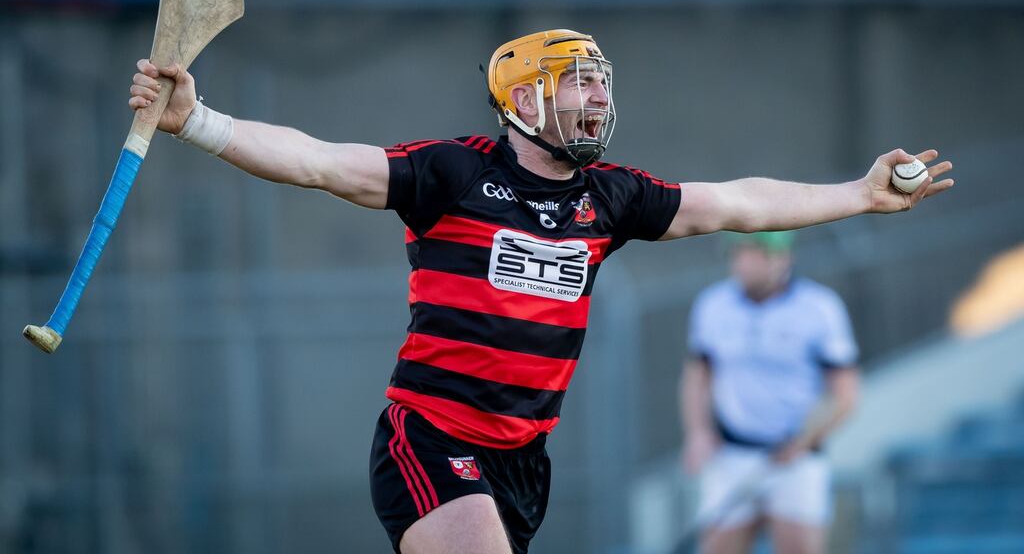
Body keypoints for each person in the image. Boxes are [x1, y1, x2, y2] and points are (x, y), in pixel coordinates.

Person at [128, 29, 953, 554]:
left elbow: (736, 202)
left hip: (525, 458)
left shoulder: (614, 198)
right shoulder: (450, 173)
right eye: (578, 83)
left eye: (600, 83)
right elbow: (317, 162)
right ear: (524, 99)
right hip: (432, 435)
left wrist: (858, 193)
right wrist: (200, 122)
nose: (598, 98)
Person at [680, 231, 860, 554]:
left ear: (782, 258)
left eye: (754, 253)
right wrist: (698, 433)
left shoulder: (820, 307)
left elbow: (844, 394)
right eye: (738, 253)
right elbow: (697, 377)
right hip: (731, 455)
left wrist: (802, 442)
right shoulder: (713, 304)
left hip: (795, 460)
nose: (743, 263)